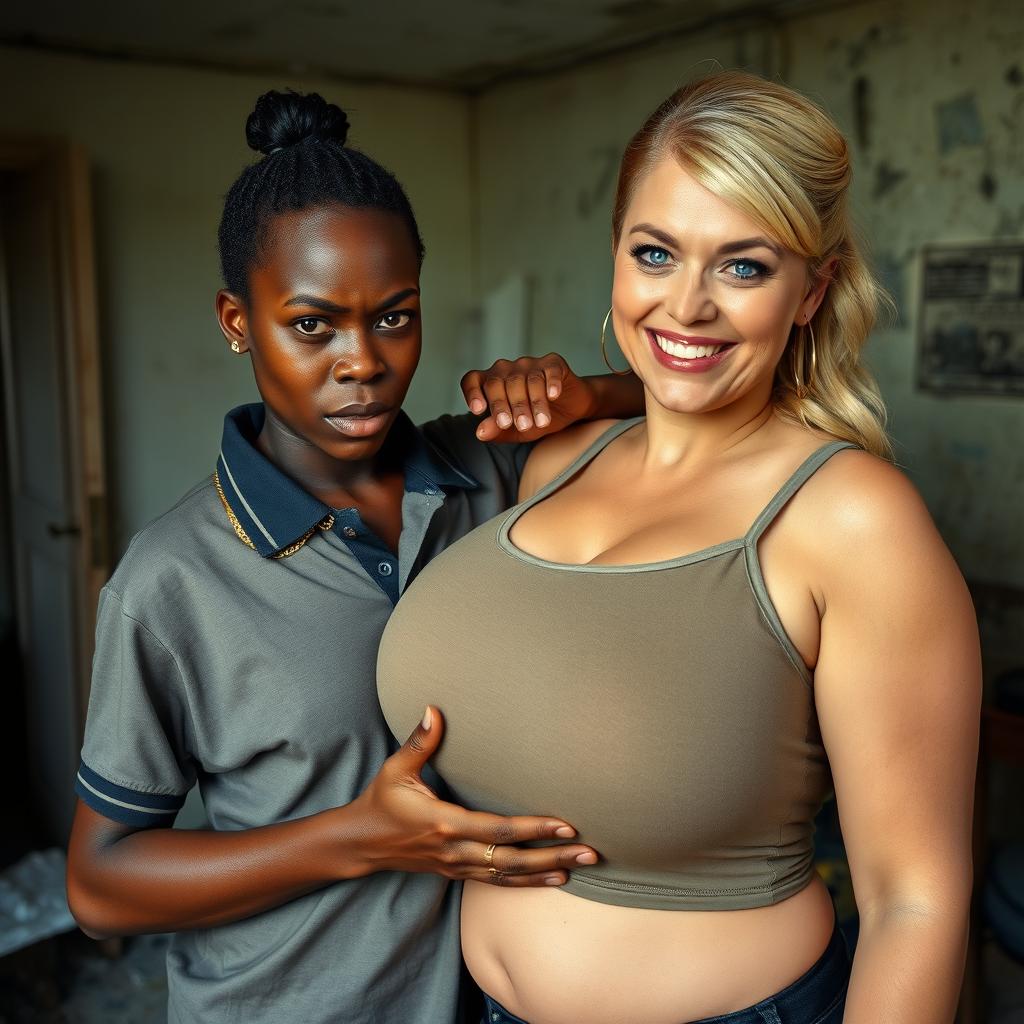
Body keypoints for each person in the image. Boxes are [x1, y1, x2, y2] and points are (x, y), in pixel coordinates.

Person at [377, 71, 981, 1024]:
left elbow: (915, 899)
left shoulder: (852, 519)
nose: (687, 305)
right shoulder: (556, 460)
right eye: (655, 253)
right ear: (615, 254)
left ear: (813, 289)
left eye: (744, 266)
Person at [65, 90, 646, 1024]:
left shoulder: (482, 473)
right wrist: (365, 838)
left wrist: (583, 391)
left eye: (393, 317)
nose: (362, 362)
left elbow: (715, 411)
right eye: (311, 325)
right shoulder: (171, 581)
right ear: (235, 321)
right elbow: (100, 887)